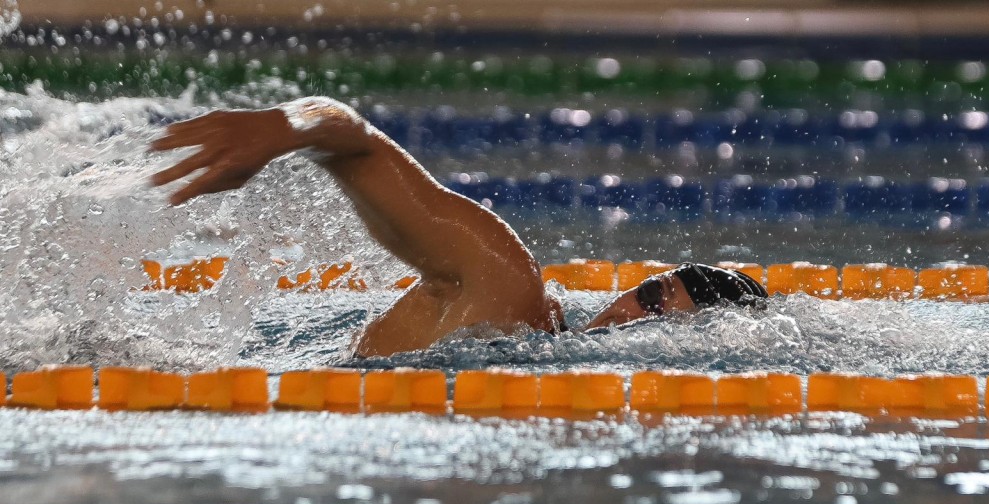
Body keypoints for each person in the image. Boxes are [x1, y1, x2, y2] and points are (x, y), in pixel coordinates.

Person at [150, 97, 767, 357]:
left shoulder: (530, 351)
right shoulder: (507, 284)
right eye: (652, 294)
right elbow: (358, 142)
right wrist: (282, 128)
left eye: (663, 319)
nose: (635, 313)